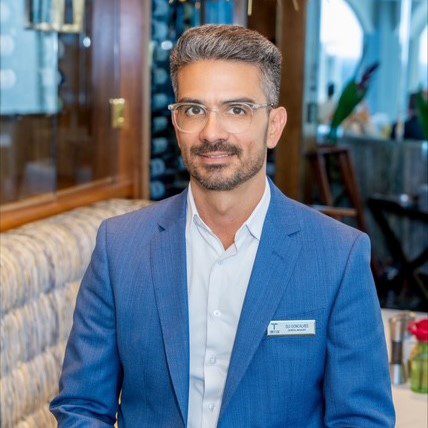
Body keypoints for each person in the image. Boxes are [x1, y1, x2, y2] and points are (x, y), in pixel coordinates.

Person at [50, 25, 395, 427]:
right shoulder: (120, 247)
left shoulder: (338, 256)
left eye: (237, 110)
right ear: (176, 123)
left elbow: (361, 419)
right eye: (194, 110)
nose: (212, 133)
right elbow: (82, 407)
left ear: (274, 125)